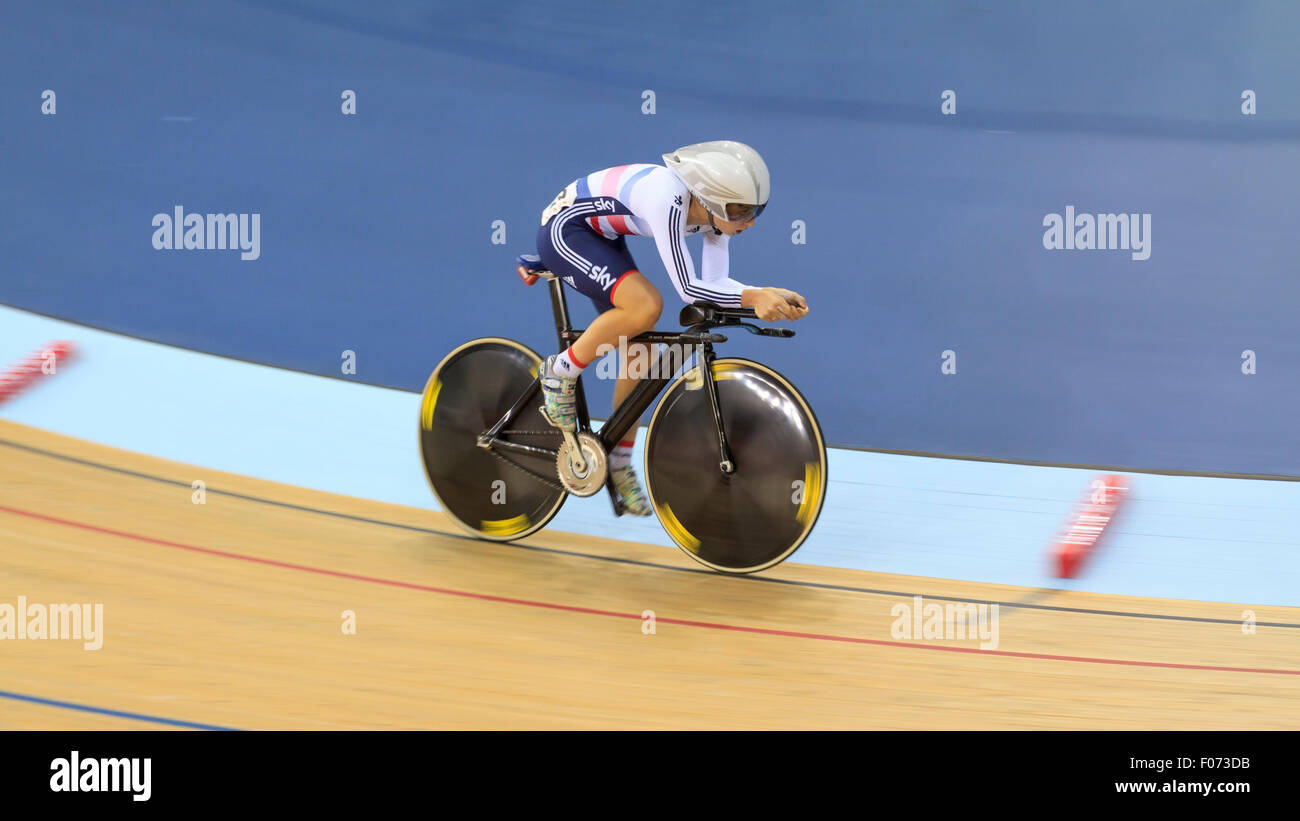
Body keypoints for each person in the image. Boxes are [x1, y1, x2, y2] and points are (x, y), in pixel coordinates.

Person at [531, 140, 809, 516]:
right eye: (742, 210)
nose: (751, 221)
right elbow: (690, 290)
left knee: (642, 355)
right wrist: (753, 297)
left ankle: (616, 464)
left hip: (603, 238)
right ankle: (559, 373)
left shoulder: (714, 218)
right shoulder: (667, 198)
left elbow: (717, 282)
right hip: (565, 231)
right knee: (647, 306)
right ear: (711, 200)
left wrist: (762, 293)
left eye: (756, 209)